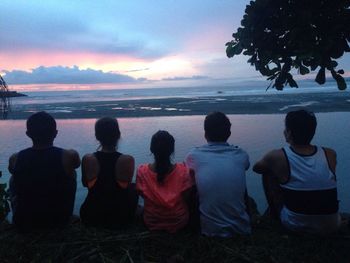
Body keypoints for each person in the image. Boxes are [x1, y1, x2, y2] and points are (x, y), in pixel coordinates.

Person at [253, 109, 340, 234]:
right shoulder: (330, 154)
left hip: (295, 225)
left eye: (286, 128)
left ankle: (274, 215)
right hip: (331, 225)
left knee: (268, 171)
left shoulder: (276, 156)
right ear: (313, 131)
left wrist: (280, 170)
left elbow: (257, 168)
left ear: (289, 132)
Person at [8, 111, 80, 231]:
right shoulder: (68, 155)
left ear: (28, 134)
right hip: (59, 221)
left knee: (13, 177)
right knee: (72, 172)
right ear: (55, 133)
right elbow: (77, 164)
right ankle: (65, 211)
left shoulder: (15, 158)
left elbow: (12, 171)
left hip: (24, 221)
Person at [185, 112, 251, 237]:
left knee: (192, 182)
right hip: (242, 229)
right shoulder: (241, 154)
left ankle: (190, 225)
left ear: (205, 134)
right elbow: (246, 166)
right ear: (229, 134)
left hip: (209, 231)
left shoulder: (193, 156)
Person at [80, 117, 138, 228]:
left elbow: (84, 183)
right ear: (118, 135)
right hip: (120, 216)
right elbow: (126, 186)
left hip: (91, 214)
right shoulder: (127, 160)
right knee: (133, 187)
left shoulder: (88, 159)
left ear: (97, 136)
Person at [136, 130, 196, 233]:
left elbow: (142, 194)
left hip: (151, 222)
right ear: (172, 150)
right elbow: (186, 197)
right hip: (179, 222)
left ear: (151, 149)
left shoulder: (142, 171)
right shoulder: (183, 171)